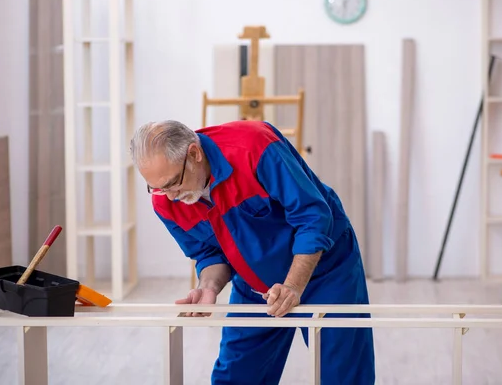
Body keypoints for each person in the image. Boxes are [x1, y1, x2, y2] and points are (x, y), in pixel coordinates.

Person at [130, 119, 375, 384]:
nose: (170, 196)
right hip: (255, 282)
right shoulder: (165, 201)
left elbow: (313, 216)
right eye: (156, 187)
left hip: (326, 269)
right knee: (236, 377)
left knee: (343, 376)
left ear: (194, 154)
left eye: (173, 183)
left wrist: (293, 285)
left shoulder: (254, 147)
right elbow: (210, 254)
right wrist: (209, 286)